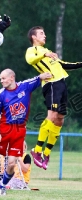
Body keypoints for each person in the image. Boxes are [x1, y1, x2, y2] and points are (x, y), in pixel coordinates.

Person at [25, 26, 82, 170]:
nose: (44, 35)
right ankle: (37, 150)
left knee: (60, 119)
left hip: (61, 84)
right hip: (51, 85)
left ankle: (47, 152)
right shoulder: (33, 50)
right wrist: (45, 56)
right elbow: (30, 60)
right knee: (51, 115)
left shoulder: (48, 51)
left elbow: (62, 65)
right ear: (34, 37)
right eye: (41, 33)